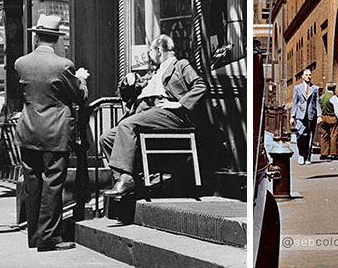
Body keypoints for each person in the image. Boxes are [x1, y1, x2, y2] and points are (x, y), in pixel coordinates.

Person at [15, 14, 89, 252]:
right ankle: (49, 237)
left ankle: (34, 235)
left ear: (36, 35)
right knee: (53, 182)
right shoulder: (63, 66)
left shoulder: (21, 63)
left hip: (28, 130)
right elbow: (79, 95)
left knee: (32, 183)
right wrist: (82, 80)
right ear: (56, 39)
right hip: (54, 131)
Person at [100, 34, 208, 196]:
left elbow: (200, 85)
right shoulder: (154, 73)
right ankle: (129, 179)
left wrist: (179, 103)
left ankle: (127, 180)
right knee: (107, 138)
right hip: (146, 114)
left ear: (159, 50)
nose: (149, 56)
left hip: (169, 115)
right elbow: (130, 91)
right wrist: (127, 82)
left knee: (126, 125)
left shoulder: (180, 65)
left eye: (150, 51)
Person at [290, 69, 318, 165]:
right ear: (302, 76)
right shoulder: (297, 88)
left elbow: (317, 103)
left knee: (310, 136)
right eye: (306, 75)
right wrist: (292, 116)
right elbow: (294, 103)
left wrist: (319, 116)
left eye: (310, 75)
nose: (308, 76)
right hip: (300, 116)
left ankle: (308, 157)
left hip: (311, 115)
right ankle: (301, 154)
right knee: (300, 135)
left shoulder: (315, 88)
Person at [317, 83, 338, 160]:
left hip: (323, 117)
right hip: (332, 117)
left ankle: (323, 153)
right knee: (334, 136)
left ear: (326, 88)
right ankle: (334, 153)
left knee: (324, 135)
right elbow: (337, 110)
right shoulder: (334, 98)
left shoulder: (322, 97)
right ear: (334, 89)